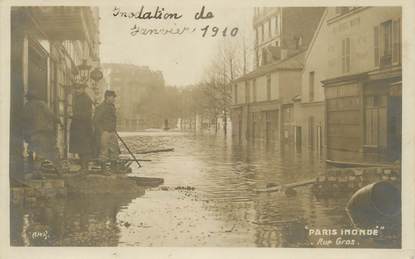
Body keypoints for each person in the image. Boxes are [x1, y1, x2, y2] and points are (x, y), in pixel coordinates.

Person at [22, 90, 62, 176]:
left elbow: (23, 120)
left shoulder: (26, 106)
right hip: (43, 132)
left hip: (31, 134)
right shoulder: (41, 104)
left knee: (32, 150)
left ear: (28, 98)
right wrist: (59, 121)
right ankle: (57, 170)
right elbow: (51, 114)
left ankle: (31, 169)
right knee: (50, 150)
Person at [69, 83, 94, 171]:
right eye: (76, 88)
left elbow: (87, 115)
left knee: (84, 148)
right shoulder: (76, 97)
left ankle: (85, 168)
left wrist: (74, 115)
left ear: (83, 89)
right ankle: (83, 167)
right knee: (79, 147)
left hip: (84, 126)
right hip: (77, 126)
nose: (77, 90)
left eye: (79, 88)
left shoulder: (86, 99)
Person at [93, 90, 120, 171]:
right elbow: (95, 121)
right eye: (113, 97)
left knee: (114, 150)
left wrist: (114, 129)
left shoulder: (112, 107)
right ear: (107, 97)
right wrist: (102, 131)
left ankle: (113, 168)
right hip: (105, 132)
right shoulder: (101, 107)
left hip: (112, 132)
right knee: (104, 151)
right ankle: (103, 169)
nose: (114, 99)